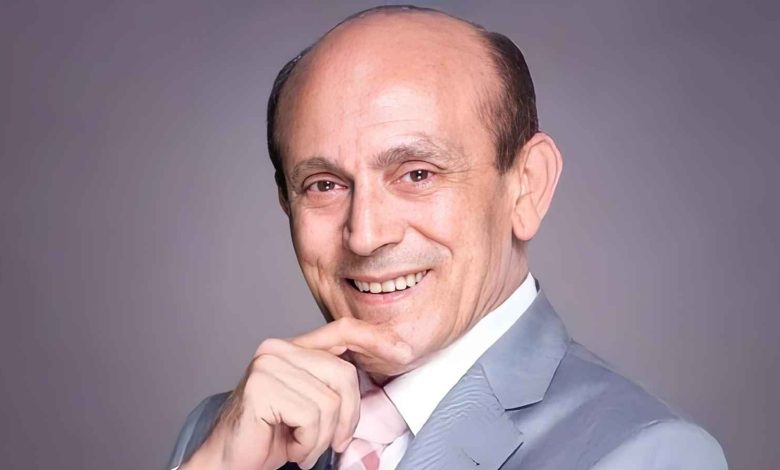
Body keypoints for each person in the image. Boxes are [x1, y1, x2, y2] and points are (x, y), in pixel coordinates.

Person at [167, 5, 727, 470]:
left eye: (417, 174)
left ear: (527, 187)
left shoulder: (646, 454)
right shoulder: (220, 434)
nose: (366, 235)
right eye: (325, 184)